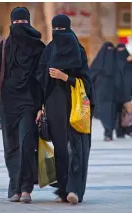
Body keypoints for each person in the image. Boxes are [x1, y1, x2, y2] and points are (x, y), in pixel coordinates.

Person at [0, 7, 45, 203]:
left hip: (30, 103)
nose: (20, 27)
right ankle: (15, 187)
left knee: (26, 144)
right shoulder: (5, 45)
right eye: (17, 23)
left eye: (23, 23)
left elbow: (42, 79)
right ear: (11, 24)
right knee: (11, 148)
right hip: (8, 103)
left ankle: (26, 189)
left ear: (29, 23)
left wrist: (41, 106)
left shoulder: (39, 48)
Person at [37, 14, 95, 204]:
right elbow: (40, 79)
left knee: (76, 147)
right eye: (56, 30)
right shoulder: (49, 51)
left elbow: (86, 82)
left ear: (69, 30)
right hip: (54, 107)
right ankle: (63, 190)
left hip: (75, 105)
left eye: (62, 30)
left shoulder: (78, 51)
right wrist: (40, 107)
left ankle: (75, 190)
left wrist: (65, 77)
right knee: (61, 148)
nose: (59, 33)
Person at [90, 42, 117, 141]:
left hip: (113, 92)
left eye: (111, 49)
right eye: (108, 49)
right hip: (101, 91)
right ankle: (108, 132)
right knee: (103, 112)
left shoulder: (115, 62)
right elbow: (90, 76)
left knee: (112, 112)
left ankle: (109, 132)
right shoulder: (98, 63)